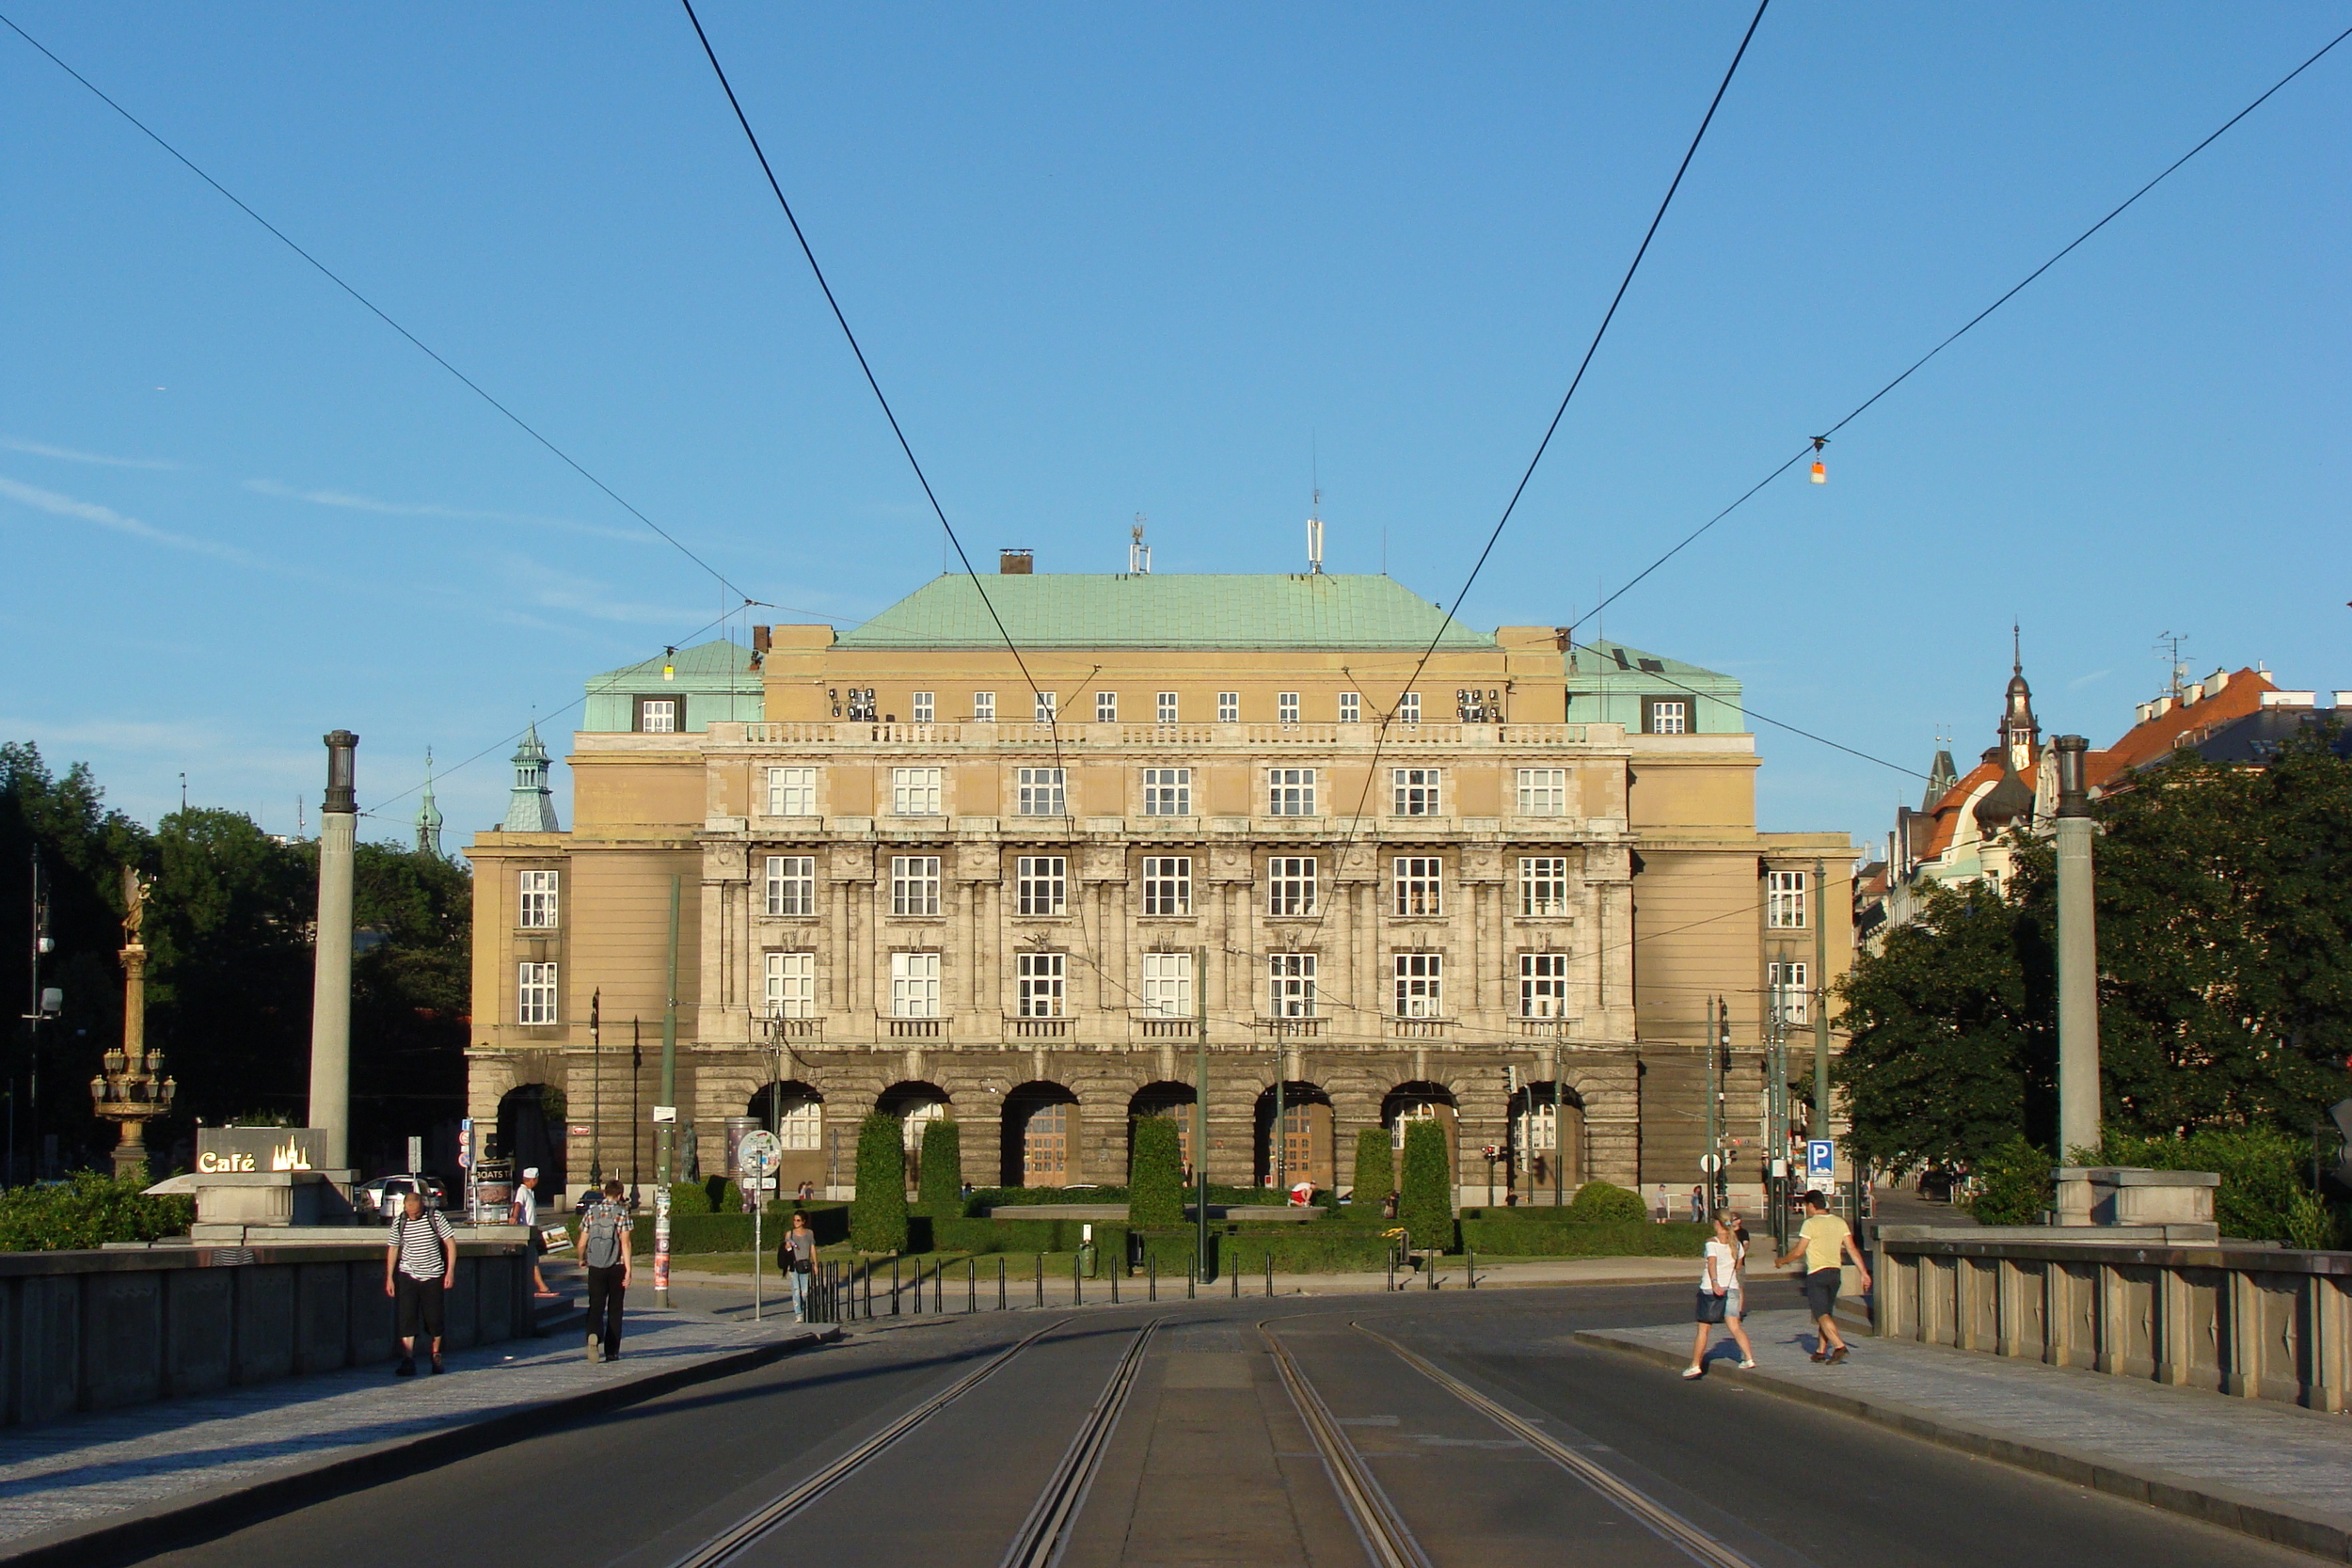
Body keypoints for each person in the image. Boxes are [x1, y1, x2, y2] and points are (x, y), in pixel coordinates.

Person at [1776, 1189, 1871, 1362]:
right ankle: (1820, 1350)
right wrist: (1863, 1272)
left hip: (1817, 1273)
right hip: (1835, 1272)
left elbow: (1798, 1252)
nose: (1806, 1209)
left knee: (1820, 1313)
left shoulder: (1810, 1224)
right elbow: (1851, 1248)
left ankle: (1839, 1346)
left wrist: (1782, 1261)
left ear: (1812, 1206)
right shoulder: (1839, 1222)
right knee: (1826, 1312)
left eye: (1806, 1206)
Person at [384, 1190, 457, 1376]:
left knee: (434, 1318)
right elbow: (393, 1248)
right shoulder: (400, 1221)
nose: (413, 1216)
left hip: (433, 1274)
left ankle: (436, 1355)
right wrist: (389, 1277)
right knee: (407, 1316)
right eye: (410, 1212)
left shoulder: (435, 1217)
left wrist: (450, 1272)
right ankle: (408, 1359)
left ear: (422, 1206)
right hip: (408, 1273)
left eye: (416, 1213)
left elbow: (450, 1243)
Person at [1682, 1212, 1756, 1377]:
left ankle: (1695, 1364)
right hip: (1732, 1288)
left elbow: (1712, 1262)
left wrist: (1715, 1281)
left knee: (1704, 1329)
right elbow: (1738, 1266)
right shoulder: (1736, 1244)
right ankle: (1749, 1358)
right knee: (1735, 1326)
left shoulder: (1712, 1243)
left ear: (1717, 1223)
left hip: (1711, 1289)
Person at [579, 1179, 632, 1361]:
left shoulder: (591, 1213)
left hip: (595, 1266)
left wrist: (582, 1258)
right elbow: (625, 1243)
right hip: (616, 1266)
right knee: (615, 1309)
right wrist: (628, 1270)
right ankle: (611, 1351)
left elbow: (581, 1243)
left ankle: (593, 1334)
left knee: (596, 1305)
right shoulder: (622, 1213)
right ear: (619, 1195)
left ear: (604, 1193)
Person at [513, 1166, 555, 1298]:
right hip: (526, 1230)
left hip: (532, 1230)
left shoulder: (529, 1192)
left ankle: (537, 1287)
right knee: (532, 1260)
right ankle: (543, 1287)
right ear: (532, 1180)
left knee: (533, 1259)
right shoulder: (522, 1191)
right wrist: (514, 1217)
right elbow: (517, 1204)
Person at [780, 1210, 818, 1322]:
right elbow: (785, 1249)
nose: (796, 1222)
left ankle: (804, 1308)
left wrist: (815, 1264)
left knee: (804, 1291)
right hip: (793, 1265)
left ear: (803, 1221)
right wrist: (787, 1247)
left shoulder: (809, 1233)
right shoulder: (790, 1234)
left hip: (805, 1264)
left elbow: (812, 1249)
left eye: (798, 1220)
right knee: (796, 1290)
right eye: (794, 1220)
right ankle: (798, 1314)